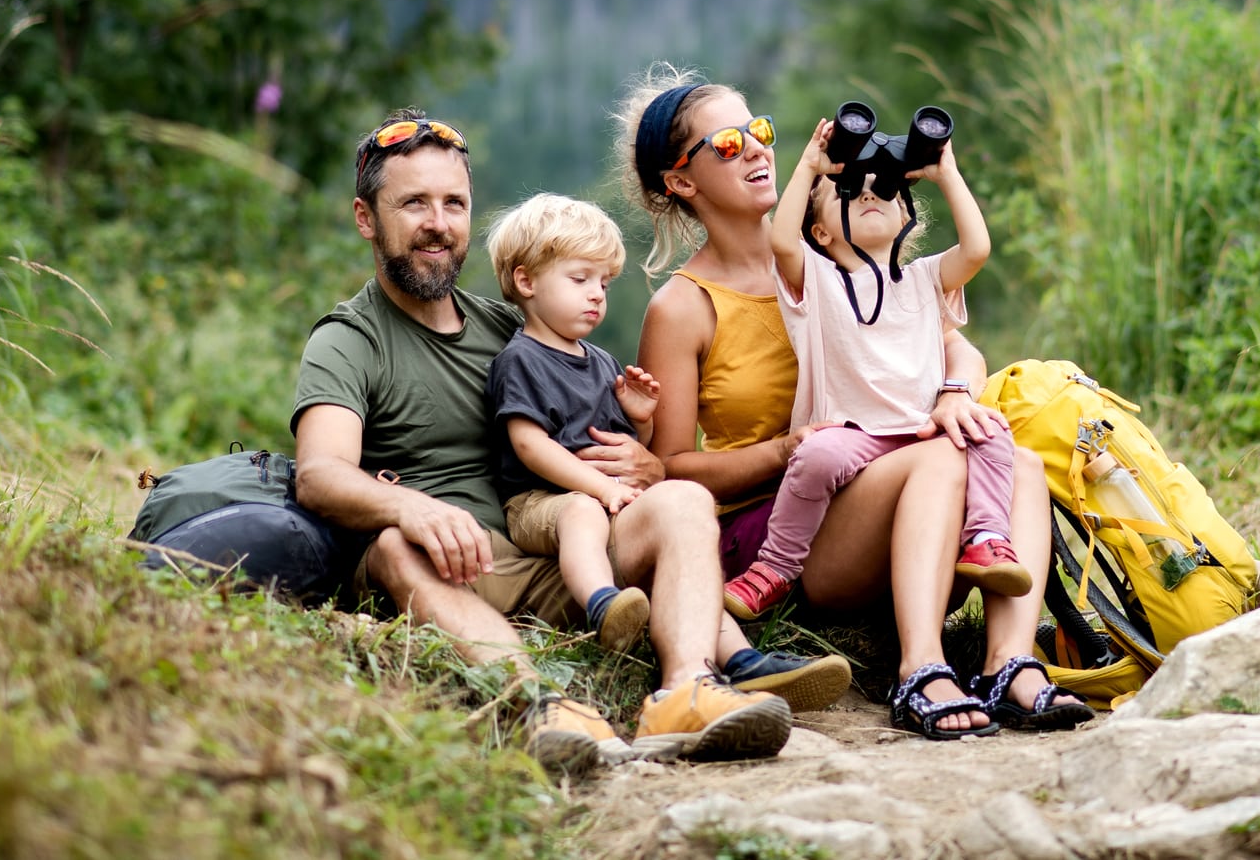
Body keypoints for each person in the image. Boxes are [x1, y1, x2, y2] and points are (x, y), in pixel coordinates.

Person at [290, 110, 849, 776]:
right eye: (413, 203)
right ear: (366, 218)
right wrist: (414, 508)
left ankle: (684, 691)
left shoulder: (511, 326)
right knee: (390, 545)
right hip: (450, 562)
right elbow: (320, 473)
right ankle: (540, 700)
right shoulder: (349, 338)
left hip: (561, 549)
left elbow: (603, 424)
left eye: (454, 203)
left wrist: (644, 459)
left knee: (682, 501)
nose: (437, 223)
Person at [619, 69, 1096, 739]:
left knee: (1012, 459)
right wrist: (786, 450)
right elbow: (670, 466)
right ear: (681, 181)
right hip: (795, 526)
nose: (758, 149)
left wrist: (957, 391)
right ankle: (921, 670)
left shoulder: (834, 242)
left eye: (759, 131)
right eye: (728, 145)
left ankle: (1009, 665)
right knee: (939, 460)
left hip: (890, 494)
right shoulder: (684, 305)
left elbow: (951, 344)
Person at [720, 117, 1030, 620]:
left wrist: (945, 172)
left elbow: (977, 250)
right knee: (815, 455)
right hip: (853, 432)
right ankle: (773, 568)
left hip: (924, 430)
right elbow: (781, 242)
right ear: (819, 230)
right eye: (849, 190)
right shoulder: (816, 281)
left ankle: (988, 538)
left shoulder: (927, 277)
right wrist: (811, 166)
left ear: (905, 213)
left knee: (994, 433)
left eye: (883, 190)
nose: (869, 195)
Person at [483, 193, 661, 654]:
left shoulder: (601, 361)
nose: (597, 293)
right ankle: (602, 605)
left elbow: (621, 449)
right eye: (580, 278)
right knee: (581, 510)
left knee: (672, 509)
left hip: (600, 499)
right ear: (526, 281)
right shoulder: (520, 359)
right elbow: (530, 446)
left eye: (604, 282)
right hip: (537, 503)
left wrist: (640, 423)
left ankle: (732, 652)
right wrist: (601, 490)